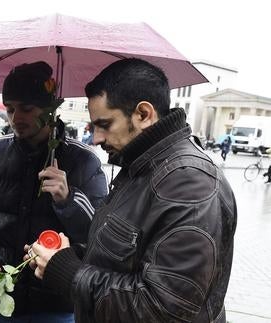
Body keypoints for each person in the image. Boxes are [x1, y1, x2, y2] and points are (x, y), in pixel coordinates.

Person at [29, 58, 237, 322]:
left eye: (104, 125)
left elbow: (162, 310)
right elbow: (126, 258)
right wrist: (70, 253)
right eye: (93, 127)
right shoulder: (138, 166)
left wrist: (67, 271)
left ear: (143, 115)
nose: (96, 139)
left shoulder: (191, 184)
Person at [0, 61, 108, 322]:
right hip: (0, 290)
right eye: (10, 109)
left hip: (56, 301)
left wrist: (68, 199)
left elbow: (100, 230)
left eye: (27, 109)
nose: (16, 117)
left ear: (50, 110)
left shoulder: (83, 161)